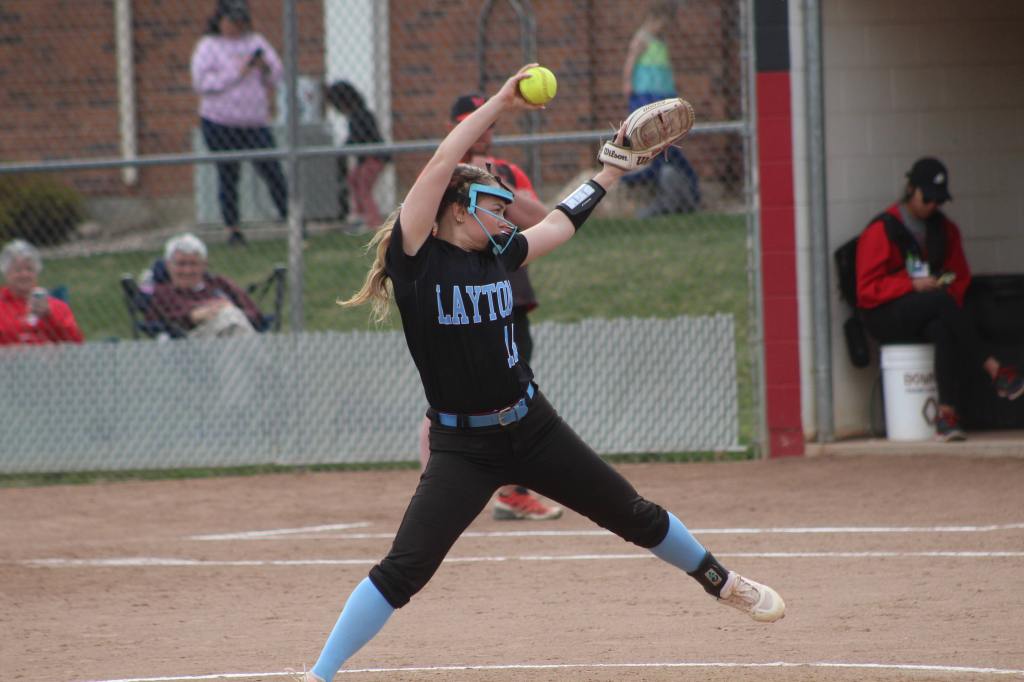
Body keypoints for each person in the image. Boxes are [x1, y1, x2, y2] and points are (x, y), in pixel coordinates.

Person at [298, 65, 784, 682]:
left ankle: (722, 581)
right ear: (455, 210)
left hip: (533, 426)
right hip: (463, 448)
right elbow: (443, 161)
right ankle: (318, 676)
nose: (507, 219)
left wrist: (610, 172)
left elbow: (558, 221)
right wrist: (502, 100)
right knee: (404, 570)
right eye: (493, 207)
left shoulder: (499, 255)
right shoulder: (417, 259)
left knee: (634, 513)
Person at [415, 92, 562, 521]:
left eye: (488, 125)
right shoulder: (443, 178)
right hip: (455, 299)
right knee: (452, 400)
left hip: (505, 293)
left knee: (510, 389)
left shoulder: (507, 172)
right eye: (471, 123)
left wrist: (497, 189)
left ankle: (511, 493)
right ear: (455, 128)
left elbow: (541, 218)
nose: (483, 133)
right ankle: (438, 488)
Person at [856, 157, 1024, 441]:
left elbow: (959, 275)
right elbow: (867, 290)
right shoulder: (883, 229)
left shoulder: (945, 229)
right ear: (911, 190)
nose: (933, 206)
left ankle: (946, 415)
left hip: (928, 307)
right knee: (941, 303)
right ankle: (994, 369)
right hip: (885, 313)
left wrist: (942, 285)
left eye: (939, 200)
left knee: (943, 325)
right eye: (927, 198)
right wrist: (911, 285)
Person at [191, 0, 288, 247]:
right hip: (220, 122)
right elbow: (202, 83)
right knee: (229, 175)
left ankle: (291, 219)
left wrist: (264, 68)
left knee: (272, 170)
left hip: (254, 122)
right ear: (220, 21)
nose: (237, 27)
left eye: (241, 21)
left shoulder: (255, 42)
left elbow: (277, 74)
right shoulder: (209, 46)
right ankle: (233, 229)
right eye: (232, 21)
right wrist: (237, 72)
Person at [620, 0, 701, 218]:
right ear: (654, 20)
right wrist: (627, 82)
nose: (664, 29)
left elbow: (666, 69)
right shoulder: (642, 38)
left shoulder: (661, 41)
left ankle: (662, 179)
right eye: (662, 24)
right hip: (646, 95)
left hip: (662, 94)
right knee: (653, 138)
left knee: (666, 141)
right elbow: (631, 61)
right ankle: (648, 176)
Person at [150, 233, 263, 338]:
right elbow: (157, 321)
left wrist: (230, 309)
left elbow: (255, 314)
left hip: (236, 328)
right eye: (181, 264)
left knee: (231, 317)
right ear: (168, 265)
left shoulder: (220, 283)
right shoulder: (161, 291)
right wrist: (193, 316)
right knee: (229, 319)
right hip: (190, 340)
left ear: (204, 265)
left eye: (194, 264)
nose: (187, 270)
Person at [324, 81, 389, 231]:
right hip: (365, 159)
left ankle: (374, 222)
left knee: (363, 187)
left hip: (374, 157)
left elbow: (360, 137)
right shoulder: (354, 116)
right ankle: (360, 216)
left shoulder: (362, 115)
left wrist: (347, 146)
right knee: (353, 179)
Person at [0, 239, 83, 346]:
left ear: (37, 272)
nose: (24, 274)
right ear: (6, 274)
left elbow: (77, 342)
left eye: (29, 269)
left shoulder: (56, 306)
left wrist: (50, 316)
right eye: (17, 270)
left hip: (49, 356)